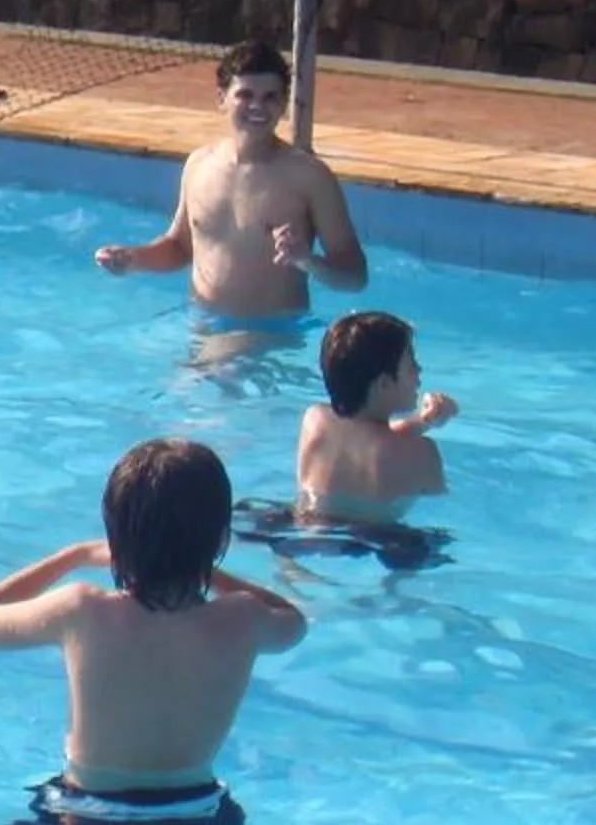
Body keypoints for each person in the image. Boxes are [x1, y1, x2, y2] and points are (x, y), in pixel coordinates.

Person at [0, 439, 308, 825]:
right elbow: (294, 620)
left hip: (94, 815)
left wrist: (72, 557)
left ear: (117, 539)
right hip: (198, 812)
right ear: (218, 539)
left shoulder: (80, 610)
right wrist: (211, 571)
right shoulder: (244, 620)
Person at [93, 40, 366, 320]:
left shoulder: (309, 176)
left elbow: (355, 276)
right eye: (245, 95)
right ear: (222, 98)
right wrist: (133, 258)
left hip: (272, 341)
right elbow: (180, 246)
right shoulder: (199, 164)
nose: (258, 106)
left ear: (284, 103)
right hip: (204, 328)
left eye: (270, 97)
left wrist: (308, 261)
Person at [297, 310, 455, 524]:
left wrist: (422, 420)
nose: (419, 371)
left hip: (307, 522)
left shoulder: (314, 420)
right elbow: (439, 504)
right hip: (381, 537)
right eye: (411, 365)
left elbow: (367, 438)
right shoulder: (423, 454)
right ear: (383, 385)